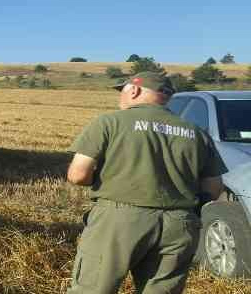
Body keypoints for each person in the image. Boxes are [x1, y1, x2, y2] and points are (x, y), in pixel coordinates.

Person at [66, 72, 227, 293]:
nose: (120, 97)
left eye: (121, 90)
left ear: (134, 90)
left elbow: (78, 174)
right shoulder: (197, 133)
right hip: (180, 224)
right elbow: (214, 187)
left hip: (119, 220)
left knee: (93, 288)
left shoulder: (109, 122)